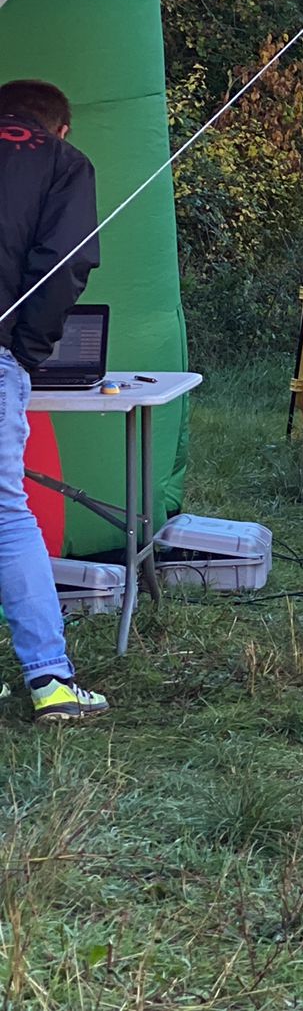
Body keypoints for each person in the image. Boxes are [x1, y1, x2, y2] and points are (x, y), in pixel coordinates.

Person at [0, 80, 106, 723]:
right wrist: (26, 350)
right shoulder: (64, 164)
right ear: (58, 127)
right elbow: (64, 262)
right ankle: (50, 681)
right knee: (8, 517)